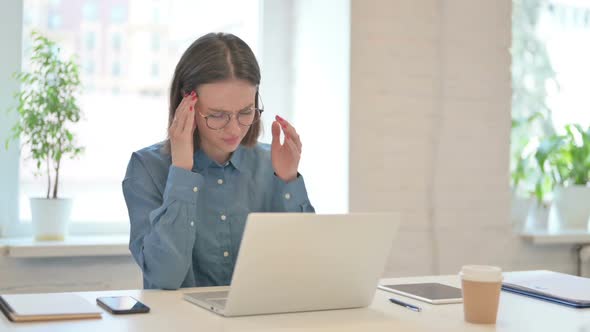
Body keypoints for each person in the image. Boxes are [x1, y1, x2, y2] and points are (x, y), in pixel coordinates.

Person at [122, 33, 314, 290]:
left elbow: (306, 270)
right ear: (186, 104)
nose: (234, 128)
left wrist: (289, 180)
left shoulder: (274, 163)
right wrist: (181, 171)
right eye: (218, 115)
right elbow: (164, 277)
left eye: (246, 112)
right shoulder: (147, 168)